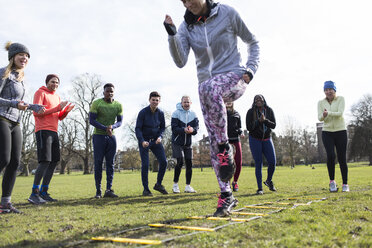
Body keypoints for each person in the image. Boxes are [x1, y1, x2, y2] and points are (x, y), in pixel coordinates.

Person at [164, 0, 259, 216]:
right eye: (183, 1)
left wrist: (251, 69)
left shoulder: (227, 13)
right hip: (208, 91)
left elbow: (253, 42)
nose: (188, 4)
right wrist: (171, 36)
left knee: (209, 91)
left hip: (235, 76)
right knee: (214, 142)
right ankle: (226, 195)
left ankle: (226, 147)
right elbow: (180, 61)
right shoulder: (186, 26)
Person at [0, 42, 44, 213]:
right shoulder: (4, 73)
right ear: (12, 57)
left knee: (15, 162)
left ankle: (5, 203)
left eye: (27, 56)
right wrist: (13, 103)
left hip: (15, 122)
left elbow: (19, 103)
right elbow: (10, 101)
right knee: (3, 158)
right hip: (2, 118)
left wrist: (33, 106)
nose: (24, 58)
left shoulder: (21, 78)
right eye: (21, 55)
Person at [28, 74, 74, 205]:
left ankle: (44, 192)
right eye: (53, 82)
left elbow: (58, 116)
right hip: (43, 130)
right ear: (47, 82)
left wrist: (65, 111)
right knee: (45, 161)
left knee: (54, 161)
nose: (55, 84)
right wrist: (58, 107)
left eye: (57, 83)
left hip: (54, 131)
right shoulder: (40, 92)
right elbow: (37, 112)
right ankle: (34, 193)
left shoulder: (57, 96)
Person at [89, 83, 123, 198]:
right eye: (107, 91)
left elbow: (119, 122)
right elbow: (92, 120)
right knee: (98, 163)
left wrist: (112, 127)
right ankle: (98, 191)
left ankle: (109, 189)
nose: (110, 93)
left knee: (110, 164)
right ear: (104, 92)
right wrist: (105, 128)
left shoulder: (118, 105)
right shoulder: (97, 103)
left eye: (111, 91)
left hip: (111, 137)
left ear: (114, 92)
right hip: (98, 136)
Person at [317, 81, 349, 192]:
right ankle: (332, 182)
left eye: (330, 89)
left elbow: (340, 113)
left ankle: (345, 184)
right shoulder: (320, 102)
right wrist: (323, 115)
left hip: (341, 131)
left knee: (342, 158)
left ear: (334, 90)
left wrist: (328, 113)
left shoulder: (341, 99)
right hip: (327, 132)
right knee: (330, 156)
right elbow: (320, 118)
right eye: (326, 90)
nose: (328, 92)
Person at [135, 91, 168, 196]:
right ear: (149, 100)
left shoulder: (161, 113)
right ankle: (146, 189)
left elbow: (162, 127)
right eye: (153, 100)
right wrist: (142, 141)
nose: (155, 102)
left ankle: (158, 184)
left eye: (157, 100)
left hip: (156, 141)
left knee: (164, 162)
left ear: (159, 101)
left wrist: (160, 137)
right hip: (144, 141)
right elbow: (138, 128)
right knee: (145, 165)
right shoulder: (143, 112)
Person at [246, 95, 276, 195]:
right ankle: (260, 188)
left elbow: (274, 125)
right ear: (254, 102)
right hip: (255, 139)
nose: (259, 101)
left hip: (267, 139)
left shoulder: (269, 110)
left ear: (264, 101)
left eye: (260, 100)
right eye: (256, 100)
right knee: (258, 163)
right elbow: (249, 127)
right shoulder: (251, 112)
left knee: (272, 161)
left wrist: (265, 121)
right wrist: (258, 121)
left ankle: (269, 180)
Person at [171, 96, 199, 193]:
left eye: (188, 102)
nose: (186, 104)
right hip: (177, 142)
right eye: (184, 102)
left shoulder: (194, 114)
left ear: (190, 103)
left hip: (188, 144)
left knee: (189, 163)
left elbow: (196, 129)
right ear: (181, 103)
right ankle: (175, 185)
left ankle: (188, 186)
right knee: (179, 162)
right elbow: (174, 129)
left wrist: (192, 130)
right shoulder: (176, 113)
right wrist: (184, 130)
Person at [226, 101, 244, 192]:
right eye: (227, 100)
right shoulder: (221, 113)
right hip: (225, 141)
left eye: (230, 100)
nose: (229, 102)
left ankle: (235, 182)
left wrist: (241, 133)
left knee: (238, 162)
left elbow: (239, 127)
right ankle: (227, 184)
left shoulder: (237, 114)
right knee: (227, 164)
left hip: (236, 140)